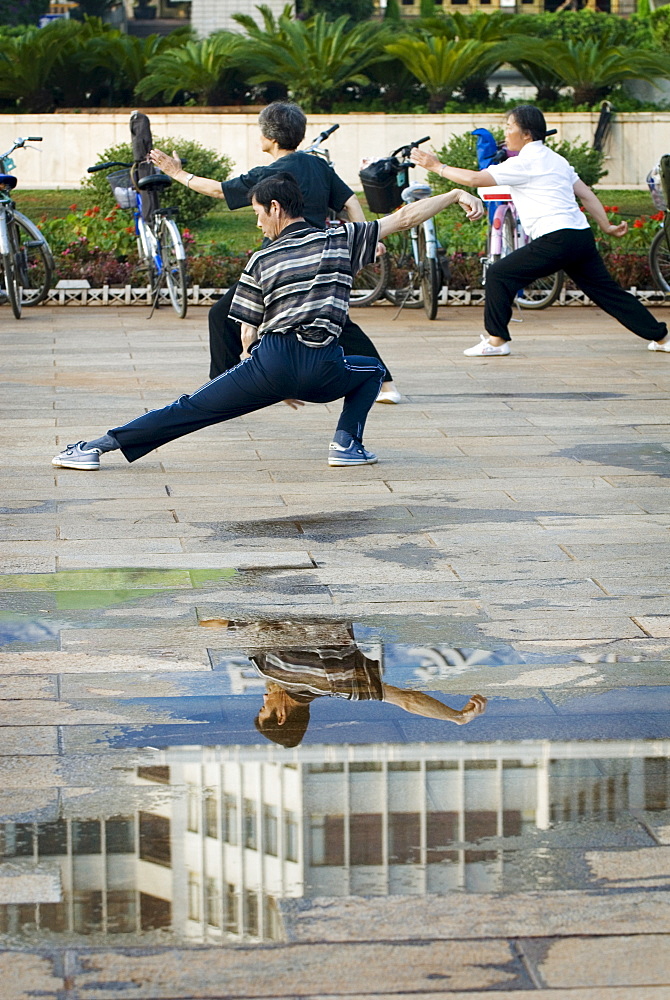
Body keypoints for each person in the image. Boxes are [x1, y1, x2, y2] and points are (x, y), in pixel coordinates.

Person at [51, 173, 483, 472]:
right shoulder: (342, 237)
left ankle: (93, 448)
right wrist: (453, 196)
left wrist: (265, 378)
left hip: (271, 363)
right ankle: (346, 445)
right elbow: (404, 218)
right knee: (371, 372)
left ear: (275, 207)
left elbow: (246, 331)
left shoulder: (261, 258)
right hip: (325, 366)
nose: (258, 221)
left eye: (258, 212)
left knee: (191, 409)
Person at [150, 101, 402, 403]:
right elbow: (350, 201)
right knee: (339, 322)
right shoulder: (318, 164)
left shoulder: (272, 173)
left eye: (261, 132)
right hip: (321, 257)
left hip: (279, 261)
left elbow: (218, 189)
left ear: (271, 138)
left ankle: (219, 391)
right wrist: (366, 239)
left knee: (223, 315)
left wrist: (176, 173)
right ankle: (386, 386)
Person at [411, 104, 670, 358]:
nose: (505, 133)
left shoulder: (525, 162)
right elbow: (585, 194)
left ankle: (496, 340)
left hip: (556, 238)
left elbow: (476, 179)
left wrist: (435, 166)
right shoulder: (556, 160)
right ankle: (662, 337)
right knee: (607, 292)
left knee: (499, 273)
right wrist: (606, 226)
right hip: (579, 236)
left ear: (526, 134)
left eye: (509, 127)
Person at [251, 631, 487, 748]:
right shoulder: (267, 669)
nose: (264, 698)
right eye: (264, 707)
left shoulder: (343, 686)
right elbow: (407, 701)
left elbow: (407, 700)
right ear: (281, 716)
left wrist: (457, 717)